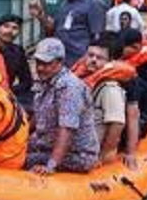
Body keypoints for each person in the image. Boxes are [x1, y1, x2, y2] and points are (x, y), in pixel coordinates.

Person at [26, 38, 99, 174]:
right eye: (38, 63)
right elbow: (37, 116)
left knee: (18, 161)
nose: (40, 68)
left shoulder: (69, 88)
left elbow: (67, 129)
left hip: (76, 155)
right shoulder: (45, 81)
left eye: (46, 64)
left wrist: (51, 165)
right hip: (45, 145)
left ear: (60, 62)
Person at [71, 39, 136, 167]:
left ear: (109, 63)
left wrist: (104, 155)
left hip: (92, 151)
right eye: (90, 55)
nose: (93, 60)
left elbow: (117, 124)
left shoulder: (110, 89)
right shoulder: (80, 79)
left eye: (100, 58)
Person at [29, 0, 107, 67]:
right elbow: (54, 28)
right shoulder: (66, 1)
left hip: (79, 63)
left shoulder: (93, 3)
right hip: (62, 61)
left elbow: (98, 38)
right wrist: (40, 15)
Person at [0, 14, 34, 110]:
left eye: (15, 28)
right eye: (6, 26)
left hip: (7, 94)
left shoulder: (18, 51)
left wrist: (10, 91)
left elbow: (27, 81)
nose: (10, 31)